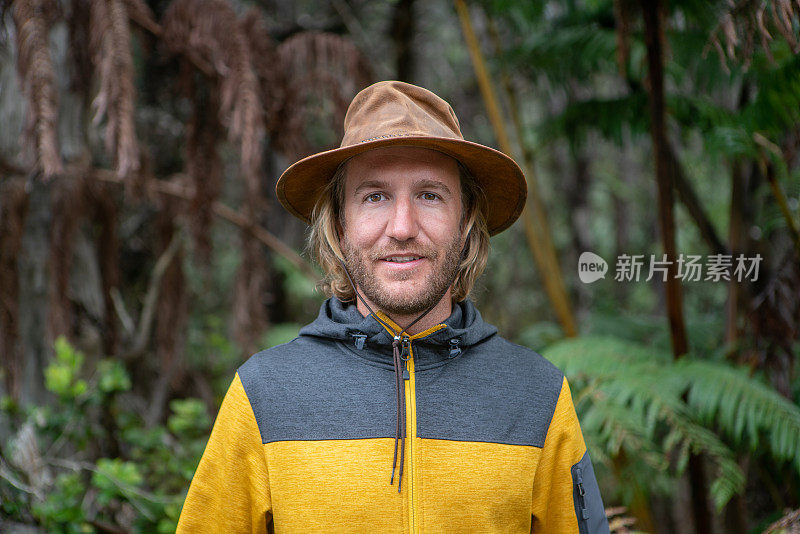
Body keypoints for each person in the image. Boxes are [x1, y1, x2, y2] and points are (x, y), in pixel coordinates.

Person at [176, 80, 610, 533]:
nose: (402, 227)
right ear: (340, 225)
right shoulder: (264, 395)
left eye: (429, 195)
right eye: (375, 196)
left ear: (466, 223)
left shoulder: (536, 397)